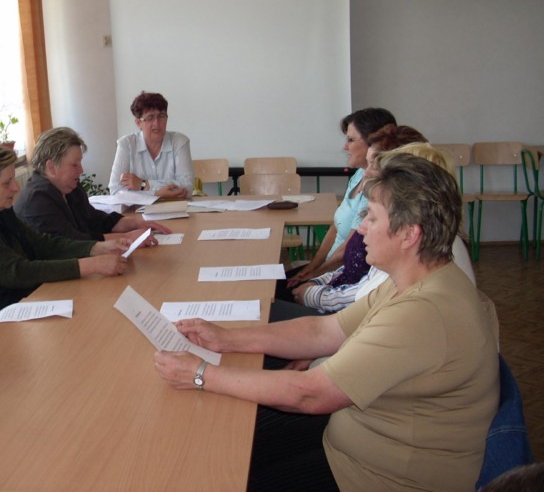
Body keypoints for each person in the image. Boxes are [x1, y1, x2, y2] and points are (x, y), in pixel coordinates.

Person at [154, 154, 499, 491]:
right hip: (357, 438)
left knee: (219, 472)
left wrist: (201, 374)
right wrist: (226, 339)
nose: (360, 227)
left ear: (409, 234)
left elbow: (310, 394)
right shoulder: (415, 279)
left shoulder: (422, 313)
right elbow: (324, 330)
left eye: (371, 217)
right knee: (223, 444)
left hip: (376, 476)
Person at [0, 144, 129, 320]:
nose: (16, 188)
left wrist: (96, 248)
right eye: (7, 183)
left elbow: (41, 244)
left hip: (18, 301)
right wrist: (91, 265)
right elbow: (16, 272)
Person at [291, 125, 427, 312]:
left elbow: (361, 296)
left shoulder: (398, 234)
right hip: (333, 291)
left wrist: (310, 292)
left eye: (373, 164)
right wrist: (315, 280)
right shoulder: (384, 211)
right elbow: (349, 268)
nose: (366, 172)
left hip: (338, 305)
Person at [286, 107, 396, 289]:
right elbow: (335, 227)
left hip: (342, 275)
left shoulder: (376, 190)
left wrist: (313, 276)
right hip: (327, 270)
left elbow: (349, 248)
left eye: (351, 140)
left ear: (373, 142)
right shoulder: (359, 175)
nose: (345, 146)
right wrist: (312, 267)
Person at [14, 126, 172, 242]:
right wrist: (127, 238)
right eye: (74, 165)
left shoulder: (69, 187)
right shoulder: (36, 200)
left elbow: (94, 219)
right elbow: (73, 243)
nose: (81, 170)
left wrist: (134, 223)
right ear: (51, 167)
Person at [109, 91, 193, 198]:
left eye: (161, 116)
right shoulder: (126, 144)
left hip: (175, 207)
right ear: (139, 123)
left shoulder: (179, 142)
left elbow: (187, 187)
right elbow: (115, 190)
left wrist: (144, 184)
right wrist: (157, 194)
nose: (156, 123)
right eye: (150, 118)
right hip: (138, 209)